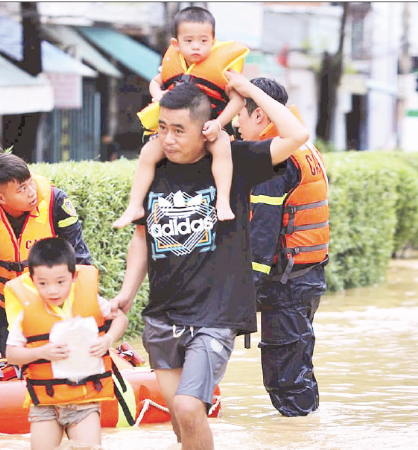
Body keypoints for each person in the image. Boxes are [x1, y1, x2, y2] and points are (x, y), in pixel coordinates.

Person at [109, 76, 309, 450]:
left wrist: (250, 92)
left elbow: (297, 136)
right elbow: (142, 238)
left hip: (215, 316)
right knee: (182, 423)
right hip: (161, 318)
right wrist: (126, 295)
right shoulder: (155, 169)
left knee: (188, 407)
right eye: (162, 128)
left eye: (179, 131)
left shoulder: (235, 162)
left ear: (205, 130)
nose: (167, 139)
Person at [236, 77, 329, 417]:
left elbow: (262, 236)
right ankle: (308, 428)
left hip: (286, 283)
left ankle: (300, 433)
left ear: (259, 116)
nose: (237, 128)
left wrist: (244, 294)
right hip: (306, 276)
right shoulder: (304, 149)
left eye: (239, 120)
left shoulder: (275, 159)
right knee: (298, 367)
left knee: (286, 381)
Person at [114, 6, 248, 228]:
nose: (196, 46)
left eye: (203, 41)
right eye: (189, 41)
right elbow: (155, 82)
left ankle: (222, 202)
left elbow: (238, 101)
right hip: (177, 132)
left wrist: (218, 124)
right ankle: (135, 205)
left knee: (222, 145)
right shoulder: (172, 62)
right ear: (176, 43)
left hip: (208, 129)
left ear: (213, 41)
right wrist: (158, 95)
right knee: (148, 152)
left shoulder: (223, 68)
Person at [0, 153, 92, 361]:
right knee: (2, 372)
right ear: (0, 198)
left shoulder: (57, 204)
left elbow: (80, 263)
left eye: (30, 183)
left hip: (54, 306)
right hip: (4, 312)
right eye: (22, 189)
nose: (32, 192)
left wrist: (82, 319)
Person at [5, 237, 128, 450]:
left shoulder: (92, 300)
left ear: (74, 276)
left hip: (85, 401)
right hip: (45, 403)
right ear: (32, 280)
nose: (52, 290)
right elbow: (12, 354)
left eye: (60, 282)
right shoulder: (26, 312)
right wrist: (42, 351)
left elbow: (121, 319)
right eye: (43, 283)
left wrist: (107, 339)